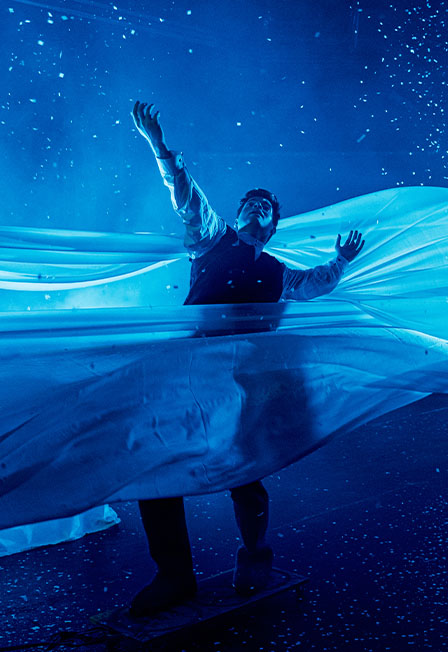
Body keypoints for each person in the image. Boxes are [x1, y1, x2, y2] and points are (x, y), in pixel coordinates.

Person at [129, 100, 365, 618]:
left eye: (265, 206)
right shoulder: (210, 239)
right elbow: (186, 196)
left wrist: (341, 261)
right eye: (250, 202)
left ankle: (255, 555)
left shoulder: (280, 272)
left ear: (272, 225)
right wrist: (159, 145)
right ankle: (174, 574)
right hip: (188, 375)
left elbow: (314, 285)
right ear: (237, 217)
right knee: (158, 468)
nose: (257, 207)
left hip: (242, 386)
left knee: (245, 474)